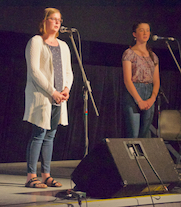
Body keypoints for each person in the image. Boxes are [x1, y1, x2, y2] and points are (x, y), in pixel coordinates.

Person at [23, 8, 73, 188]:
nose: (57, 22)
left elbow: (68, 72)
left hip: (58, 97)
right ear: (44, 21)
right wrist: (52, 91)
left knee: (50, 135)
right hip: (42, 96)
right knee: (39, 134)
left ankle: (46, 174)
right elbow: (35, 71)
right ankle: (31, 176)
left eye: (59, 19)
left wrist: (66, 88)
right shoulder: (36, 42)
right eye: (53, 19)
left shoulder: (64, 46)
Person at [122, 22, 160, 138]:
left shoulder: (153, 56)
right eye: (141, 30)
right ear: (134, 34)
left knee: (145, 134)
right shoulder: (129, 54)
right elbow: (127, 80)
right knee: (133, 134)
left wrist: (152, 98)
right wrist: (139, 100)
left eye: (147, 30)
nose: (145, 33)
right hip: (134, 91)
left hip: (149, 93)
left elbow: (157, 81)